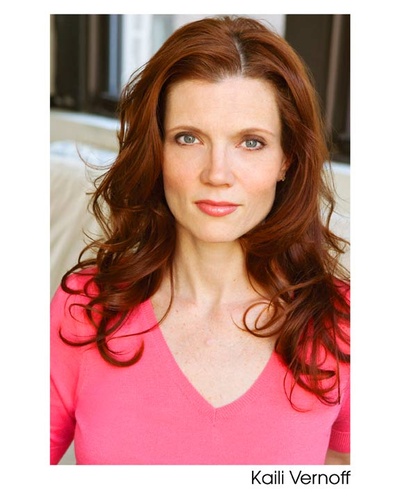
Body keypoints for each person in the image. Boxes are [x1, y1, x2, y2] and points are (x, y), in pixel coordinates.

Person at [50, 15, 350, 465]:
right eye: (188, 138)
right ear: (157, 149)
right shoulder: (84, 308)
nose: (217, 174)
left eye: (251, 142)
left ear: (286, 159)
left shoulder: (343, 323)